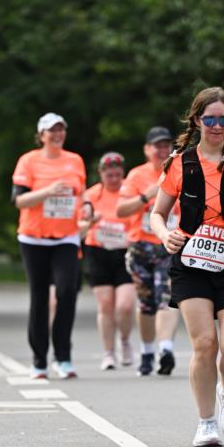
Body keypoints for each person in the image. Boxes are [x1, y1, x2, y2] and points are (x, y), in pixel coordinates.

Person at [150, 87, 224, 446]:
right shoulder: (178, 163)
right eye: (210, 118)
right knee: (204, 344)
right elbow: (158, 213)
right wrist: (164, 235)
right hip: (191, 259)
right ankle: (205, 422)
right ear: (197, 120)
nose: (217, 126)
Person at [12, 113, 86, 379]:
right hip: (33, 238)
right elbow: (19, 201)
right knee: (39, 297)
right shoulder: (28, 161)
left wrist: (86, 208)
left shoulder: (75, 160)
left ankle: (63, 356)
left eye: (61, 130)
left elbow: (82, 192)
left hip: (66, 237)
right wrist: (48, 191)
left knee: (67, 291)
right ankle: (39, 360)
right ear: (41, 135)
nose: (57, 134)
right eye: (51, 130)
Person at [116, 126, 180, 376]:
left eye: (167, 146)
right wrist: (147, 196)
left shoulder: (180, 171)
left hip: (170, 243)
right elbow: (121, 211)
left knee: (166, 298)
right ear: (147, 150)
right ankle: (146, 351)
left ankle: (166, 349)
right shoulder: (136, 176)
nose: (162, 150)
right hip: (141, 246)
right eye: (158, 146)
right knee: (146, 304)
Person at [81, 152, 136, 370]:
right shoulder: (92, 194)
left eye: (117, 174)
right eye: (109, 174)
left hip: (125, 251)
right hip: (99, 251)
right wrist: (90, 220)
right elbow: (80, 224)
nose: (113, 179)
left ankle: (124, 340)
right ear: (101, 174)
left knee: (124, 305)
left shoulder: (129, 192)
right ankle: (108, 352)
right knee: (105, 305)